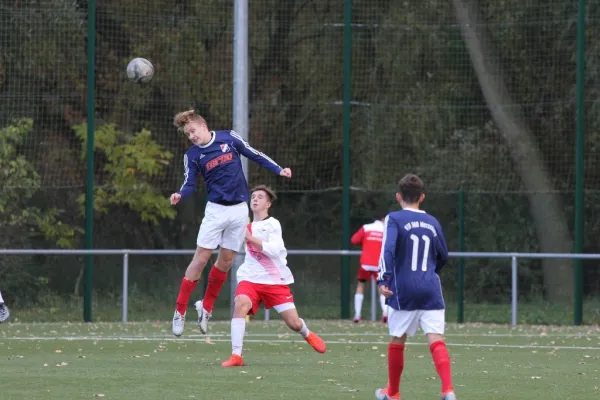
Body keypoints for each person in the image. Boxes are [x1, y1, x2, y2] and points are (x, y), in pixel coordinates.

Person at [169, 110, 292, 337]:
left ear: (203, 125)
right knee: (201, 260)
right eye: (188, 135)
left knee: (225, 262)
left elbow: (255, 154)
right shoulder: (193, 155)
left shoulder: (229, 138)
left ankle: (206, 307)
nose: (192, 137)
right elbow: (189, 183)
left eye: (193, 131)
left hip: (238, 211)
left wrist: (278, 169)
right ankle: (180, 311)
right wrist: (180, 194)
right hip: (215, 211)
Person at [221, 185, 326, 367]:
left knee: (293, 323)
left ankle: (306, 333)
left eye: (260, 197)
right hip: (250, 278)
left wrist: (248, 236)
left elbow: (274, 249)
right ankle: (236, 355)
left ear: (268, 204)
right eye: (253, 196)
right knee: (240, 304)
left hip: (274, 280)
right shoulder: (245, 226)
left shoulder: (273, 224)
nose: (255, 199)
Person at [375, 174, 456, 400]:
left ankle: (393, 393)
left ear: (398, 196)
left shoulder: (394, 218)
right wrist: (429, 273)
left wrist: (384, 279)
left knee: (398, 339)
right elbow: (443, 255)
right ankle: (448, 389)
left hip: (403, 289)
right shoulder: (433, 221)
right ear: (422, 197)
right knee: (436, 338)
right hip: (431, 287)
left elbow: (387, 251)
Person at [350, 216, 388, 323]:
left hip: (365, 263)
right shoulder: (386, 230)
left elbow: (354, 240)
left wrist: (366, 242)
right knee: (382, 286)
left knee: (361, 285)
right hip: (379, 264)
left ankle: (357, 315)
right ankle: (385, 313)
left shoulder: (366, 228)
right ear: (382, 219)